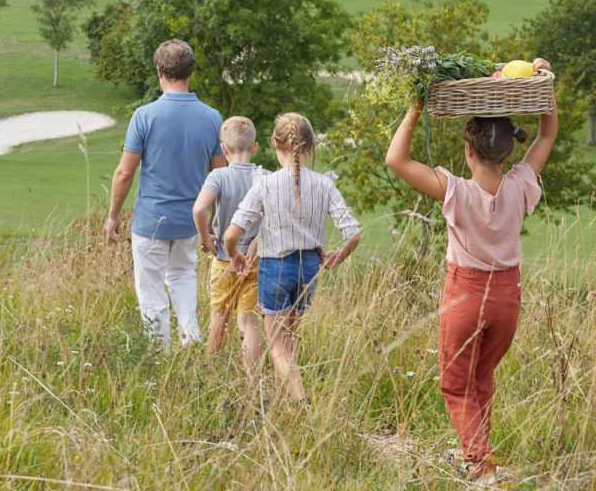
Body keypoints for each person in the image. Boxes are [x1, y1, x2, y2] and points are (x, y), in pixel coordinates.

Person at [385, 58, 557, 483]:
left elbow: (395, 158)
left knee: (456, 382)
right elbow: (548, 131)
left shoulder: (455, 192)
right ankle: (478, 453)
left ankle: (481, 468)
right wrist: (542, 83)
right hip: (507, 300)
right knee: (481, 377)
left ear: (467, 150)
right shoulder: (521, 185)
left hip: (464, 296)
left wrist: (416, 105)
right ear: (510, 150)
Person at [224, 113, 362, 403]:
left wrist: (235, 255)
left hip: (275, 267)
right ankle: (285, 404)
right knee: (289, 341)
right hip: (309, 268)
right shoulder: (324, 185)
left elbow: (231, 235)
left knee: (278, 347)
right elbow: (353, 233)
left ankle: (301, 403)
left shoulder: (265, 184)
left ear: (275, 143)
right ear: (311, 146)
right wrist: (338, 257)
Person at [105, 39, 226, 351]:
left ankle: (160, 356)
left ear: (159, 71)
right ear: (191, 72)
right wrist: (214, 222)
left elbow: (125, 172)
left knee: (152, 292)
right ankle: (191, 342)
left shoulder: (144, 116)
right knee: (184, 279)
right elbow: (220, 172)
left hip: (151, 221)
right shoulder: (212, 118)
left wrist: (113, 215)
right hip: (190, 221)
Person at [193, 116, 264, 378]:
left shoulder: (219, 176)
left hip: (224, 259)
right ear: (254, 147)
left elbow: (199, 208)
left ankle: (210, 374)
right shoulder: (264, 177)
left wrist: (206, 236)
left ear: (224, 149)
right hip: (254, 263)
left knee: (219, 317)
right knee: (249, 321)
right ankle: (252, 380)